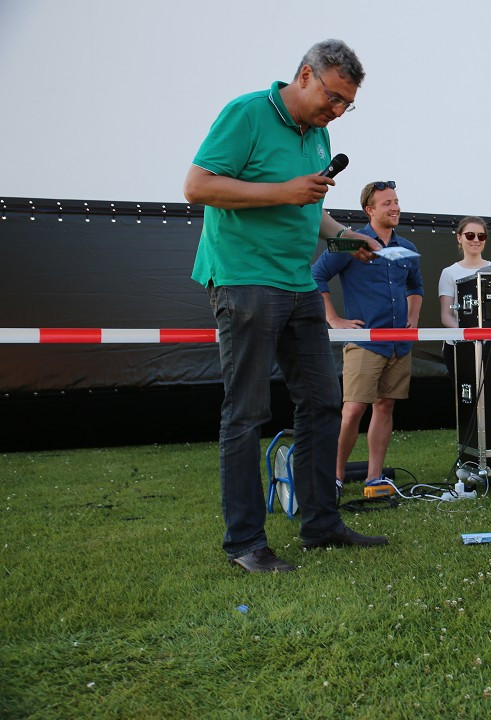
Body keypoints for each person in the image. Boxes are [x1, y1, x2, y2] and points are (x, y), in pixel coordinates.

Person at [184, 39, 387, 573]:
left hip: (297, 285)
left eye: (347, 103)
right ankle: (246, 545)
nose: (337, 110)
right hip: (244, 280)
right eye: (333, 96)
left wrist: (348, 239)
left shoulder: (319, 135)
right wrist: (282, 191)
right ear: (304, 75)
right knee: (246, 413)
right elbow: (197, 185)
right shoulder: (247, 112)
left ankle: (321, 525)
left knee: (322, 402)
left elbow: (310, 207)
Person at [312, 180, 424, 490]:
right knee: (353, 410)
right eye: (387, 203)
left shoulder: (408, 248)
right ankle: (334, 477)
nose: (395, 207)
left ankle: (375, 477)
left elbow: (416, 286)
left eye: (396, 201)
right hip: (365, 342)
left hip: (399, 345)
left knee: (385, 406)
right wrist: (333, 319)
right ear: (369, 210)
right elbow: (316, 275)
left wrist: (413, 316)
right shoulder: (350, 242)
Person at [438, 217, 491, 373]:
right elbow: (446, 315)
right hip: (458, 346)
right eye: (470, 235)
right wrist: (468, 335)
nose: (476, 240)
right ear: (459, 238)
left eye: (481, 236)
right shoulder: (449, 273)